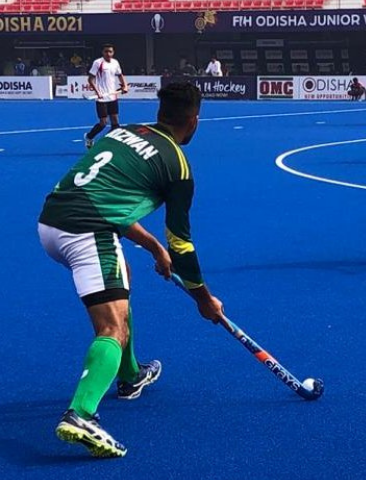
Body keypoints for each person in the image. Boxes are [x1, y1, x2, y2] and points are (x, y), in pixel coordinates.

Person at [38, 82, 225, 458]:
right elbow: (183, 245)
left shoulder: (125, 132)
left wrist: (153, 247)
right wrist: (202, 299)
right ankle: (80, 414)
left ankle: (130, 376)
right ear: (194, 121)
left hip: (50, 222)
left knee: (122, 278)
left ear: (160, 114)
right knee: (112, 328)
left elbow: (111, 200)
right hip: (87, 230)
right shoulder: (177, 165)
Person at [84, 44, 128, 150]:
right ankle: (89, 137)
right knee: (103, 123)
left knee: (116, 123)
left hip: (112, 96)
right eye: (106, 51)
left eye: (110, 52)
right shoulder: (98, 63)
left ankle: (110, 144)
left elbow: (120, 75)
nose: (108, 54)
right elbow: (90, 79)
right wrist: (97, 91)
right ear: (103, 52)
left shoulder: (115, 63)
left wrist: (125, 85)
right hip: (102, 98)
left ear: (113, 53)